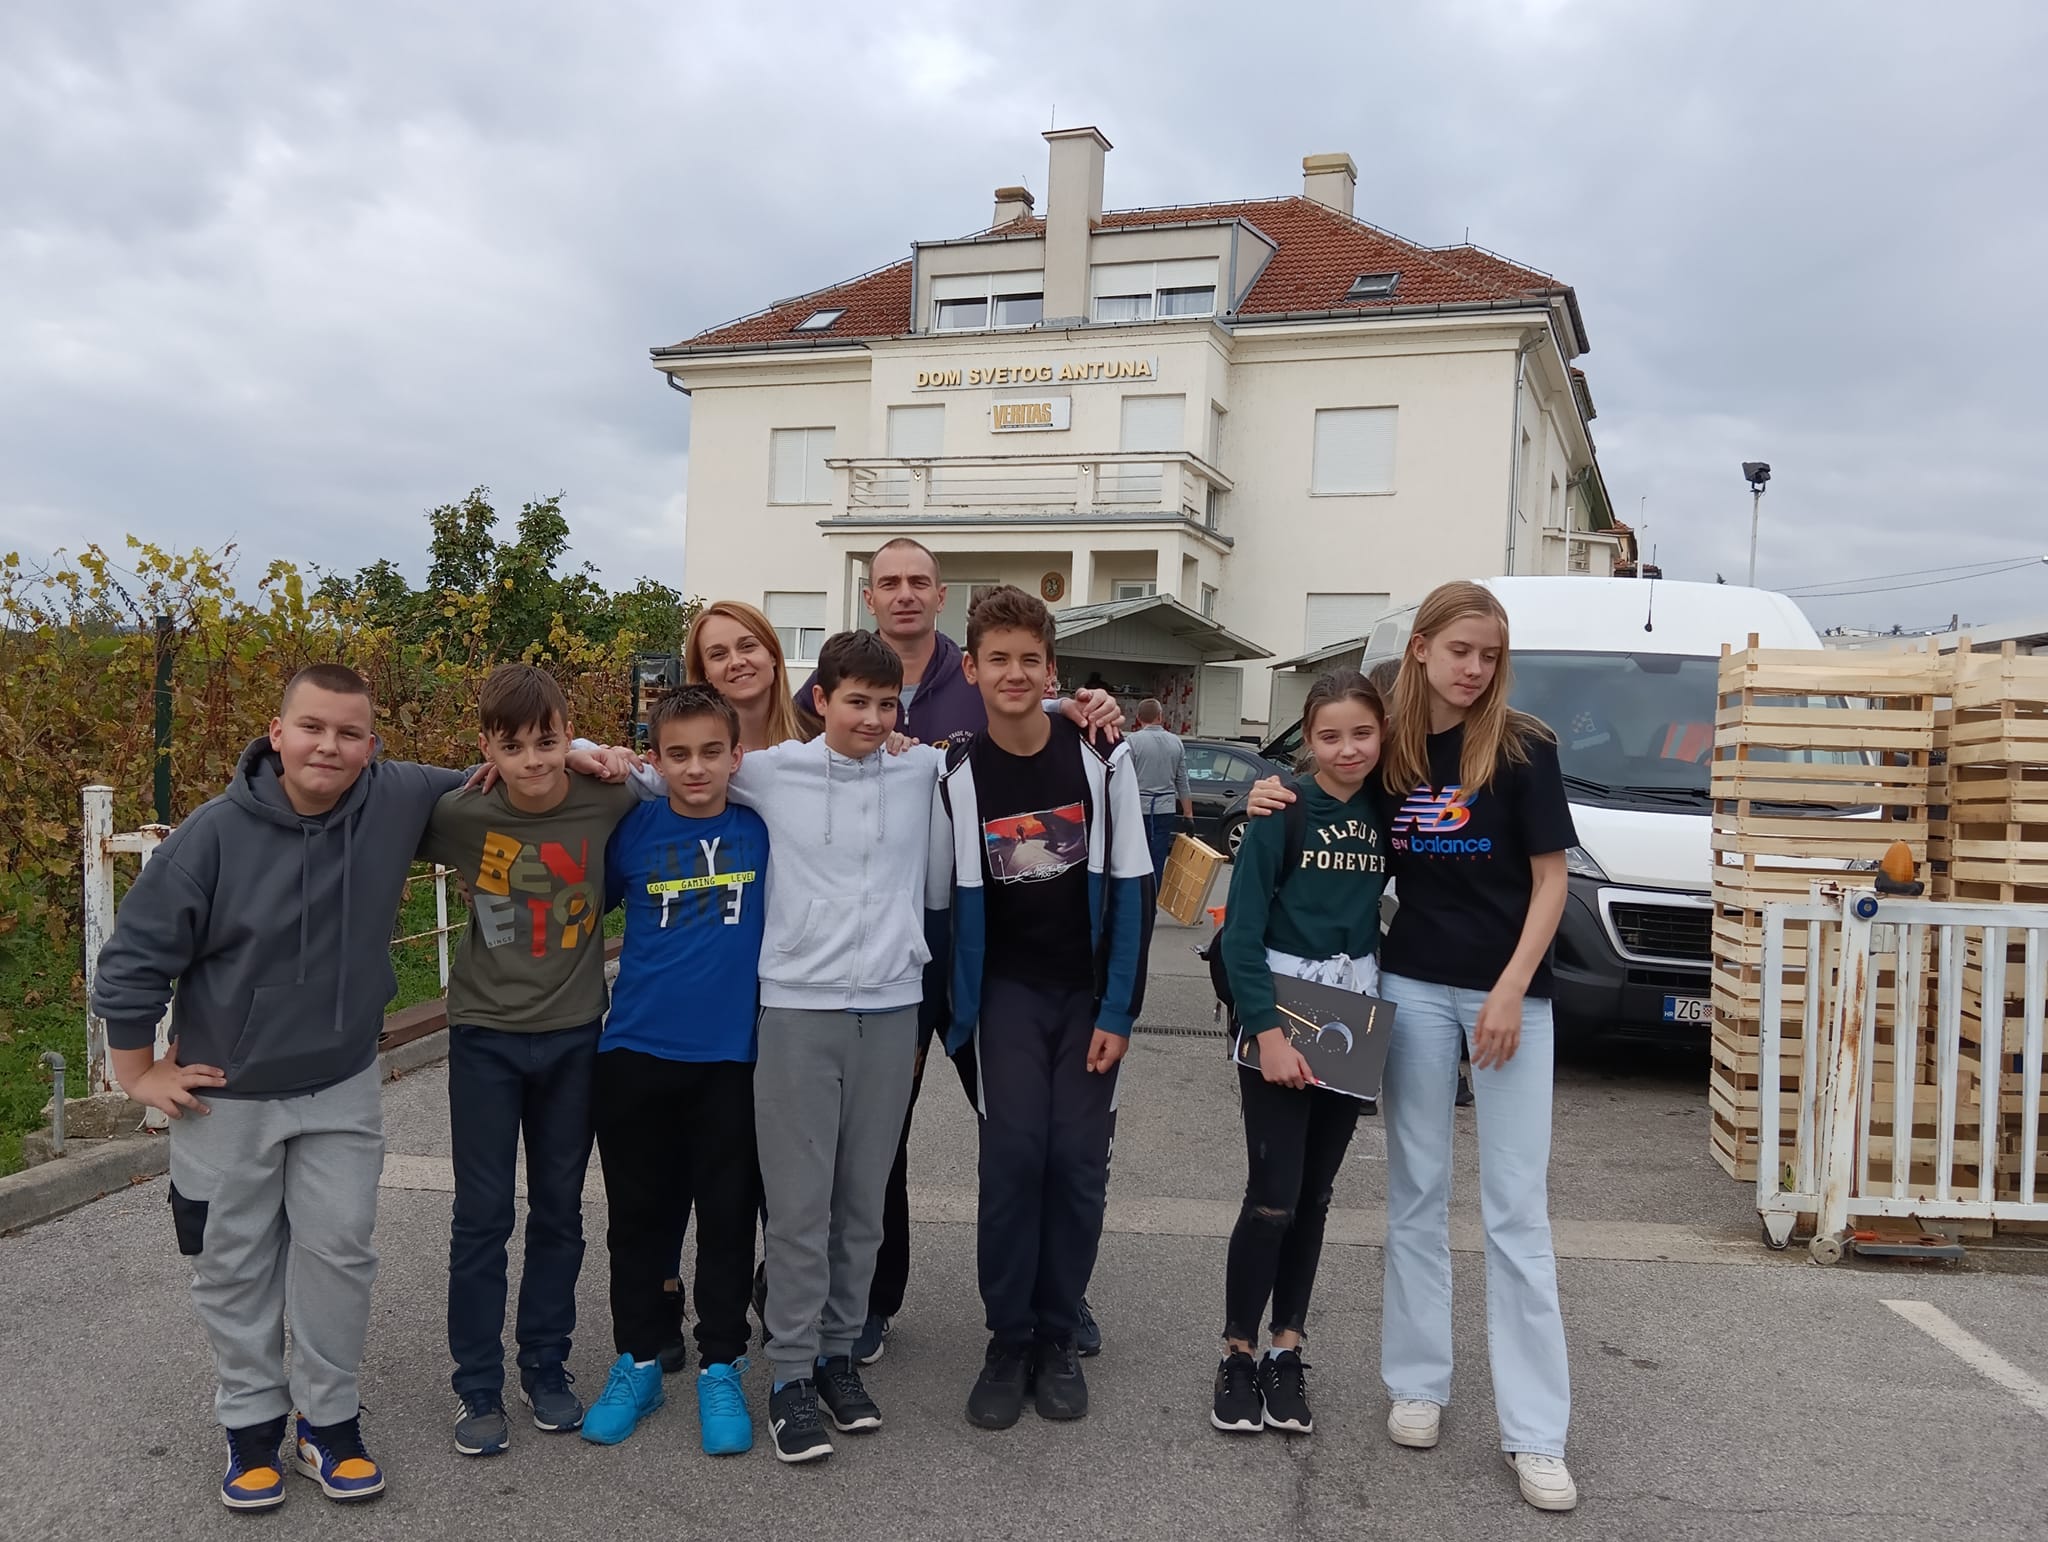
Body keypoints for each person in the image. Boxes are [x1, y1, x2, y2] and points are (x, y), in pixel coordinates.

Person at [87, 663, 617, 1510]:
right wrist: (136, 1071)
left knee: (339, 1258)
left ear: (373, 745)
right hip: (227, 1091)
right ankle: (250, 1427)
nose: (328, 747)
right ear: (276, 733)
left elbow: (512, 765)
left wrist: (586, 750)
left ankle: (327, 1422)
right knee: (232, 1265)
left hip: (340, 1083)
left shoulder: (396, 796)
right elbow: (135, 957)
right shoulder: (213, 835)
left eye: (349, 733)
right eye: (312, 727)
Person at [1247, 581, 1578, 1512]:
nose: (1474, 668)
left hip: (1512, 999)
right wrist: (1269, 793)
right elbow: (1324, 804)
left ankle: (1536, 1434)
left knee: (1516, 1212)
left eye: (1490, 654)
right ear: (1422, 648)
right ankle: (1418, 1384)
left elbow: (1551, 881)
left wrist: (1511, 987)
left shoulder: (1524, 747)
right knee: (1417, 1195)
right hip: (1412, 989)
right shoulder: (1389, 752)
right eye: (1460, 650)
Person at [792, 537, 1117, 1365]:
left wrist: (1087, 708)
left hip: (983, 951)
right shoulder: (839, 680)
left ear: (941, 597)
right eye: (888, 583)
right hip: (895, 953)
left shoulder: (983, 674)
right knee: (882, 1137)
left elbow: (1035, 706)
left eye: (919, 582)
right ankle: (871, 1300)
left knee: (1028, 1140)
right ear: (869, 596)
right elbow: (784, 760)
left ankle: (1058, 1296)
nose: (904, 594)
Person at [926, 585, 1153, 1430]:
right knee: (1015, 1159)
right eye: (998, 659)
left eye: (1030, 660)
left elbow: (1132, 890)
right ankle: (1008, 1339)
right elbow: (940, 905)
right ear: (971, 669)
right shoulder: (952, 771)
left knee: (1077, 1165)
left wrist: (1120, 1012)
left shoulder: (1102, 758)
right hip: (1005, 998)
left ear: (1051, 670)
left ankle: (1057, 1334)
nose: (1014, 673)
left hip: (1085, 998)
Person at [739, 629, 951, 1463]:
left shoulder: (920, 768)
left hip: (892, 1009)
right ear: (820, 699)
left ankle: (837, 1358)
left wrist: (1082, 704)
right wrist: (582, 751)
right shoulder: (772, 771)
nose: (871, 718)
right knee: (799, 1211)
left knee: (862, 1207)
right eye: (855, 701)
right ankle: (789, 1375)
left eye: (886, 704)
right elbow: (660, 769)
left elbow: (1015, 722)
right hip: (798, 1011)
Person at [421, 664, 643, 1458]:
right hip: (485, 1037)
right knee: (482, 1216)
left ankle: (544, 1363)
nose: (533, 761)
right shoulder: (462, 812)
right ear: (487, 747)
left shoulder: (608, 799)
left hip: (575, 1036)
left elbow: (682, 777)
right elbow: (386, 804)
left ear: (567, 734)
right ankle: (477, 1382)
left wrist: (599, 753)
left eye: (548, 742)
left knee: (559, 1210)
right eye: (511, 747)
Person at [581, 684, 769, 1454]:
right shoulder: (631, 830)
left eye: (711, 753)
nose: (696, 769)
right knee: (637, 1222)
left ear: (736, 756)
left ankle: (721, 1364)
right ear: (654, 761)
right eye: (679, 755)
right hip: (634, 1055)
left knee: (727, 1220)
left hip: (730, 1061)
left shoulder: (761, 831)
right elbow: (572, 901)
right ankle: (638, 1361)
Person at [1209, 670, 1388, 1439]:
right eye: (1330, 735)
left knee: (1314, 1199)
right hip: (1281, 1021)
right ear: (1307, 740)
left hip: (1354, 1018)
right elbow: (1241, 935)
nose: (1348, 749)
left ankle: (1288, 1349)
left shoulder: (1390, 810)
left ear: (1382, 735)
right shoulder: (1280, 810)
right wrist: (1269, 1033)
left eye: (1362, 733)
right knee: (1272, 1198)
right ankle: (1237, 1354)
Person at [687, 600, 808, 752]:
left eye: (747, 646)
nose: (736, 662)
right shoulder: (687, 756)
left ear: (772, 654)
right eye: (718, 654)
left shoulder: (820, 744)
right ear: (705, 672)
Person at [1124, 697, 1193, 883]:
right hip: (1165, 809)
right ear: (1160, 716)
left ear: (1138, 718)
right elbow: (1182, 781)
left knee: (1135, 858)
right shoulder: (1176, 742)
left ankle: (1138, 895)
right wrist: (1188, 815)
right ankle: (1153, 895)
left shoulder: (1132, 741)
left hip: (1138, 809)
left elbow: (1124, 779)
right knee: (1158, 858)